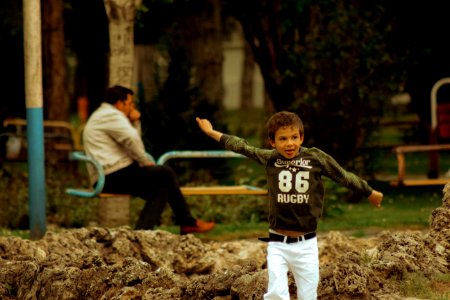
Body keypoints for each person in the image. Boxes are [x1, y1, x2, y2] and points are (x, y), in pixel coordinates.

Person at [196, 111, 383, 300]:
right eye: (283, 139)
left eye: (294, 137)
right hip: (278, 243)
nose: (289, 143)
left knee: (308, 296)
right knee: (276, 293)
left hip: (307, 244)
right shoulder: (270, 158)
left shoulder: (315, 158)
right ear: (272, 142)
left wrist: (369, 191)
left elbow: (342, 175)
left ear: (301, 138)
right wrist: (211, 132)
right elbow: (242, 147)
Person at [83, 85, 215, 234]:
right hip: (111, 175)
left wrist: (135, 123)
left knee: (161, 188)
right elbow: (132, 139)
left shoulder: (103, 115)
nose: (132, 107)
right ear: (119, 104)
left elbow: (131, 138)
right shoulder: (111, 115)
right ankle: (184, 223)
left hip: (109, 174)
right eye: (130, 103)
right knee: (165, 173)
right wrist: (145, 162)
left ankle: (143, 233)